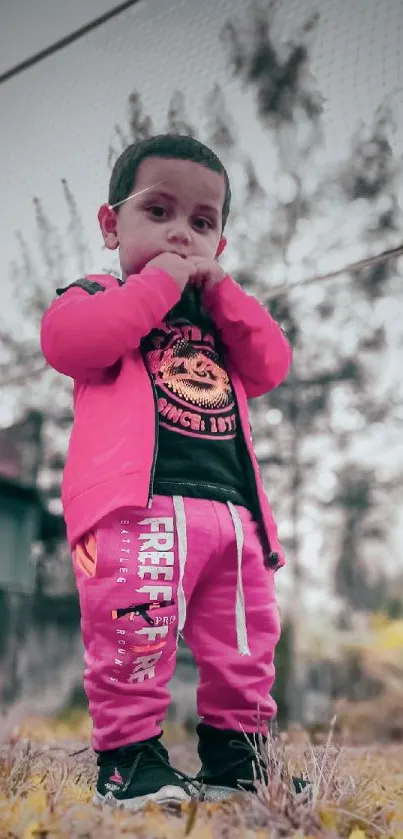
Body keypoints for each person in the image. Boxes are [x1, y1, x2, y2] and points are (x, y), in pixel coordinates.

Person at [40, 134, 292, 810]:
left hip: (232, 513)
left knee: (245, 645)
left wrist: (220, 291)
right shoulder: (97, 293)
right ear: (109, 224)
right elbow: (72, 343)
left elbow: (271, 364)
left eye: (201, 222)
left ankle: (237, 761)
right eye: (158, 211)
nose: (180, 233)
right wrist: (158, 284)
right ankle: (130, 764)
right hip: (137, 511)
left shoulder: (220, 320)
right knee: (134, 635)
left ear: (219, 243)